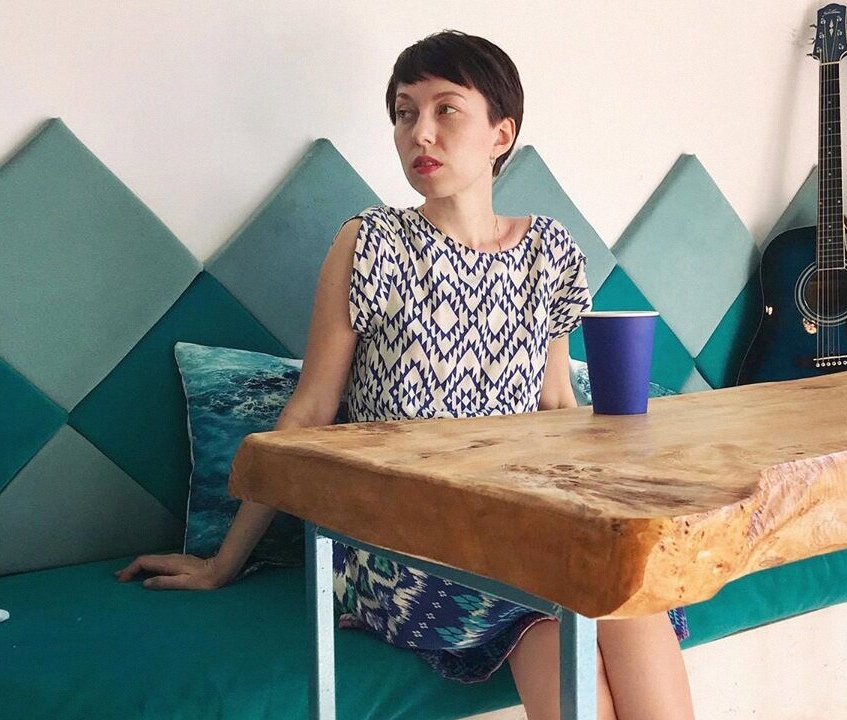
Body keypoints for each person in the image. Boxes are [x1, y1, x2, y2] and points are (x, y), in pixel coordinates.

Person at [116, 29, 695, 720]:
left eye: (446, 109)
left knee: (627, 592)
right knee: (557, 604)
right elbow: (309, 415)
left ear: (501, 134)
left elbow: (556, 404)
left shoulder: (550, 251)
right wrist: (222, 561)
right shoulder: (371, 242)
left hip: (516, 525)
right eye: (403, 113)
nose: (419, 132)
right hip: (396, 540)